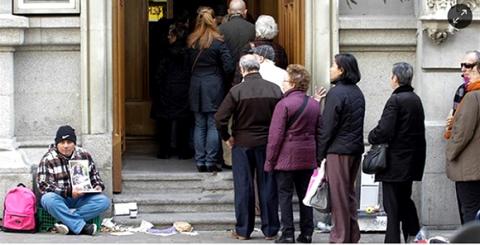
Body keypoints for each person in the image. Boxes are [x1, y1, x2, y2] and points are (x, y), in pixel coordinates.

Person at [215, 54, 282, 240]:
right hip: (268, 143)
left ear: (242, 69)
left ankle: (243, 230)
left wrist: (226, 137)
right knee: (268, 184)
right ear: (257, 68)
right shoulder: (275, 89)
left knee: (244, 186)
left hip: (242, 144)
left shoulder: (237, 91)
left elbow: (219, 118)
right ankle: (271, 230)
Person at [368, 62, 426, 243]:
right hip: (411, 161)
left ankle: (392, 240)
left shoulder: (396, 100)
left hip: (394, 162)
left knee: (392, 207)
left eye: (391, 76)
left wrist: (372, 136)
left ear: (396, 78)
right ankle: (414, 234)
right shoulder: (415, 99)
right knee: (404, 200)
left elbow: (384, 130)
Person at [264, 64, 321, 243]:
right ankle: (307, 233)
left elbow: (275, 136)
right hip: (308, 156)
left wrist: (269, 161)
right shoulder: (314, 104)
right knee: (306, 197)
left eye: (285, 80)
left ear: (294, 83)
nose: (283, 84)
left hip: (286, 157)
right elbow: (320, 132)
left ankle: (288, 234)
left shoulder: (284, 104)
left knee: (285, 195)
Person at [316, 53, 365, 243]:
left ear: (342, 70)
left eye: (333, 65)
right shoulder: (357, 92)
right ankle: (352, 235)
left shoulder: (336, 93)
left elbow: (327, 127)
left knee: (339, 197)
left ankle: (340, 237)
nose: (330, 68)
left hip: (338, 151)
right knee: (348, 195)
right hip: (354, 149)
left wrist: (319, 154)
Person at [36, 125, 110, 235]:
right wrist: (69, 192)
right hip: (61, 198)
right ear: (57, 143)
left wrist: (97, 186)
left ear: (74, 143)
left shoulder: (84, 154)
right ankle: (82, 227)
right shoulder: (48, 159)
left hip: (82, 198)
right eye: (62, 142)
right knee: (47, 199)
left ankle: (66, 222)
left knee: (104, 201)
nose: (65, 146)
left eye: (69, 142)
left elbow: (95, 177)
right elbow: (43, 186)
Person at [187, 7, 234, 173]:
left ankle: (200, 161)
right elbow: (229, 67)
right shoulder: (218, 42)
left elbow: (185, 66)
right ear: (213, 21)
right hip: (214, 85)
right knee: (213, 124)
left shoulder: (191, 41)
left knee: (199, 124)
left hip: (195, 85)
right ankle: (211, 162)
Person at [446, 50, 480, 224]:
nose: (464, 70)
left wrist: (450, 152)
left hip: (470, 168)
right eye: (462, 66)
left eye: (469, 66)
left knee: (469, 212)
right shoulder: (464, 91)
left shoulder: (473, 95)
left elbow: (462, 132)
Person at [150, 22, 193, 160]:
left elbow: (159, 73)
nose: (168, 37)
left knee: (164, 122)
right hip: (183, 89)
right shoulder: (188, 53)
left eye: (170, 34)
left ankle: (164, 150)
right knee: (183, 122)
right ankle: (183, 151)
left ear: (175, 36)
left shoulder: (165, 52)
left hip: (166, 89)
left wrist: (157, 87)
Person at [233, 15, 288, 85]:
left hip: (252, 87)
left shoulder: (248, 48)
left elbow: (239, 72)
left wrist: (235, 88)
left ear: (257, 29)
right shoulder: (280, 49)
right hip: (275, 88)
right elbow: (284, 71)